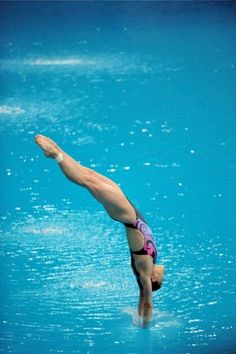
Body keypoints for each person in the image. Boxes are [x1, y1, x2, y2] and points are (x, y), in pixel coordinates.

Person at [35, 134, 165, 328]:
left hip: (127, 216)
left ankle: (55, 155)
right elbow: (141, 300)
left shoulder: (145, 273)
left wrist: (144, 324)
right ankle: (57, 149)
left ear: (154, 278)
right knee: (90, 174)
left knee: (88, 181)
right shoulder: (150, 264)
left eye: (161, 280)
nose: (164, 275)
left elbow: (146, 301)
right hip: (129, 210)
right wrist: (136, 312)